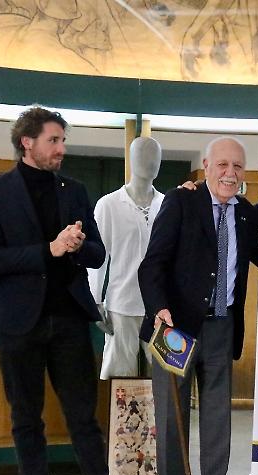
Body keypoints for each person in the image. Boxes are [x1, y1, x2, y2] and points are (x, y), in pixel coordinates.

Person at [0, 106, 138, 475]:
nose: (62, 148)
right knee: (26, 417)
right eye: (54, 140)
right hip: (18, 322)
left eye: (63, 140)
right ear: (27, 142)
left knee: (83, 416)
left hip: (69, 318)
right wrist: (50, 249)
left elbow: (99, 255)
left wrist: (79, 245)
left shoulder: (75, 190)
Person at [137, 136, 258, 475]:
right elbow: (152, 264)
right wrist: (159, 308)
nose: (230, 173)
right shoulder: (181, 202)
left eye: (238, 167)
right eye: (222, 165)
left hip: (222, 327)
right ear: (206, 167)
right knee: (171, 418)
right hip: (175, 328)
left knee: (217, 419)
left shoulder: (246, 213)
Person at [88, 136, 164, 379]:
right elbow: (98, 257)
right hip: (122, 303)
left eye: (155, 156)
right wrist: (95, 300)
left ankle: (160, 409)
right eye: (143, 154)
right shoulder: (108, 205)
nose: (150, 161)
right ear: (131, 159)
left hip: (160, 306)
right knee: (120, 375)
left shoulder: (167, 204)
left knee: (164, 374)